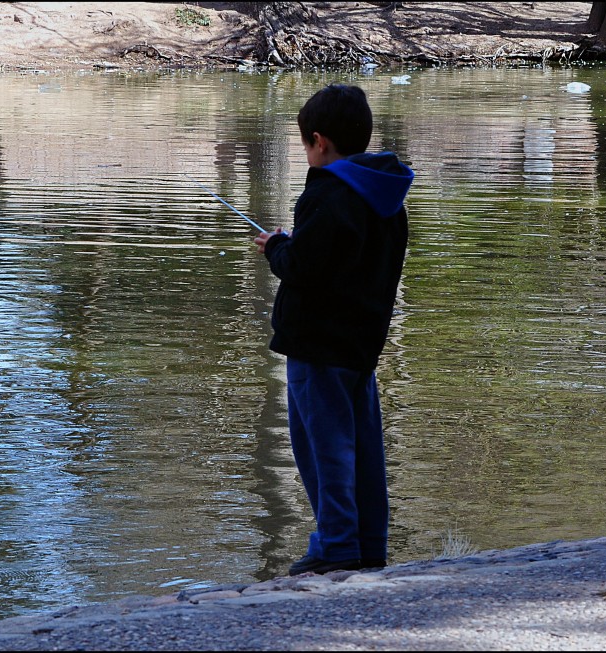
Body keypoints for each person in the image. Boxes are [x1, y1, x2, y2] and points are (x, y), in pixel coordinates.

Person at [253, 84, 413, 575]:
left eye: (305, 144)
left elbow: (303, 267)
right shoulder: (386, 195)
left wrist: (277, 247)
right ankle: (369, 545)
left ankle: (338, 546)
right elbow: (350, 263)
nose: (306, 153)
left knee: (323, 448)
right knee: (362, 447)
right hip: (361, 345)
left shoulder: (327, 192)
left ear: (319, 141)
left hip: (317, 346)